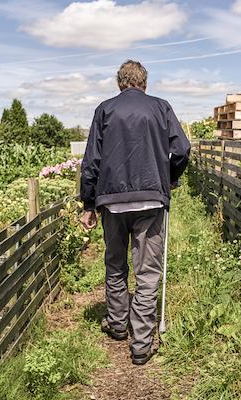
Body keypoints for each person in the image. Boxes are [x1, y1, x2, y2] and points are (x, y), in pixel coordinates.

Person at [80, 60, 190, 365]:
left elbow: (92, 161)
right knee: (147, 272)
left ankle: (117, 325)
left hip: (112, 202)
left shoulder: (105, 109)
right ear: (145, 82)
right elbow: (181, 150)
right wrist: (168, 178)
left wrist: (89, 204)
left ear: (119, 83)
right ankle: (141, 345)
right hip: (151, 201)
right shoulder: (161, 107)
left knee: (116, 265)